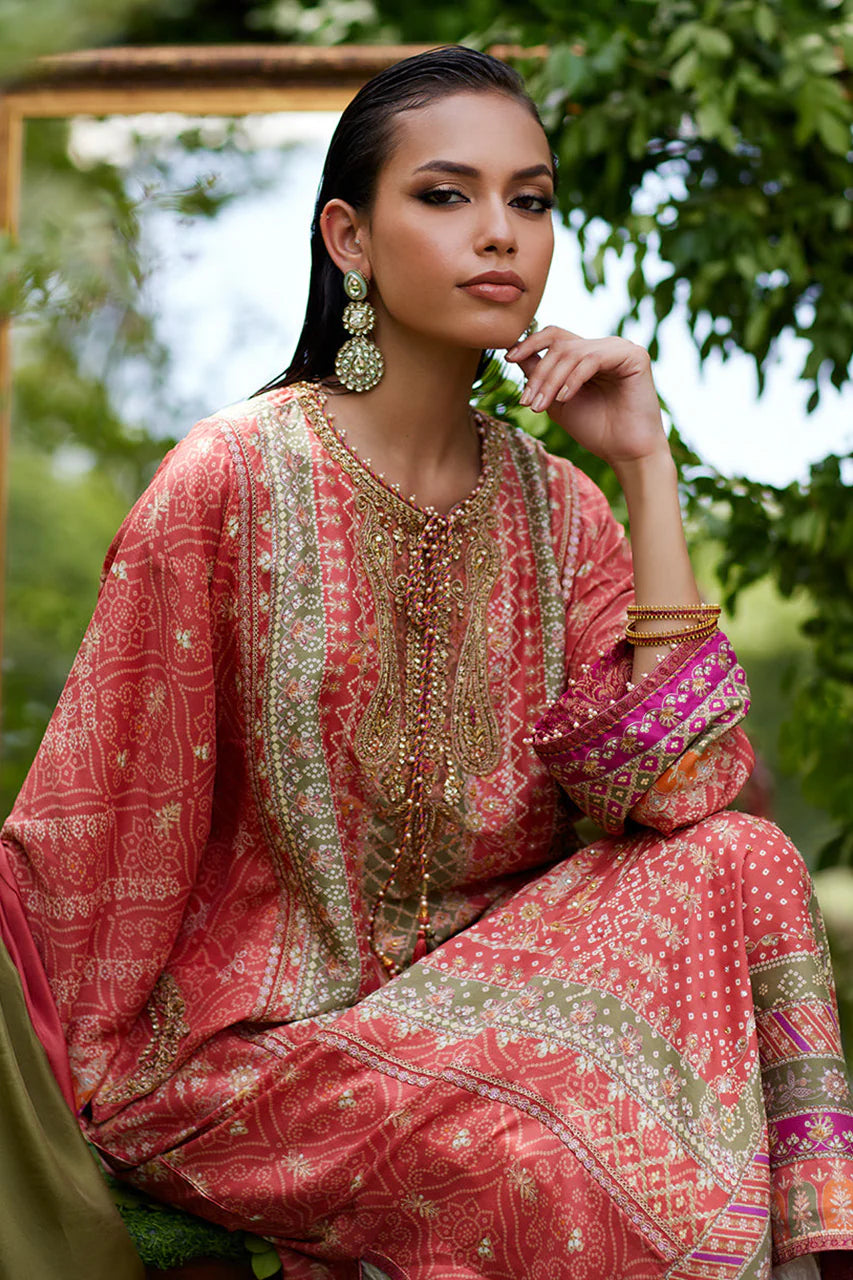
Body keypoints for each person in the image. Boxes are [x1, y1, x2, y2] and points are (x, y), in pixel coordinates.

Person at [1, 45, 851, 1280]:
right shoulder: (232, 479)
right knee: (548, 1159)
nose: (500, 233)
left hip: (504, 1014)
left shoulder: (562, 512)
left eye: (531, 198)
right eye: (447, 195)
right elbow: (98, 817)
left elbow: (679, 797)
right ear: (348, 237)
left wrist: (645, 463)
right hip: (265, 1056)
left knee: (742, 855)